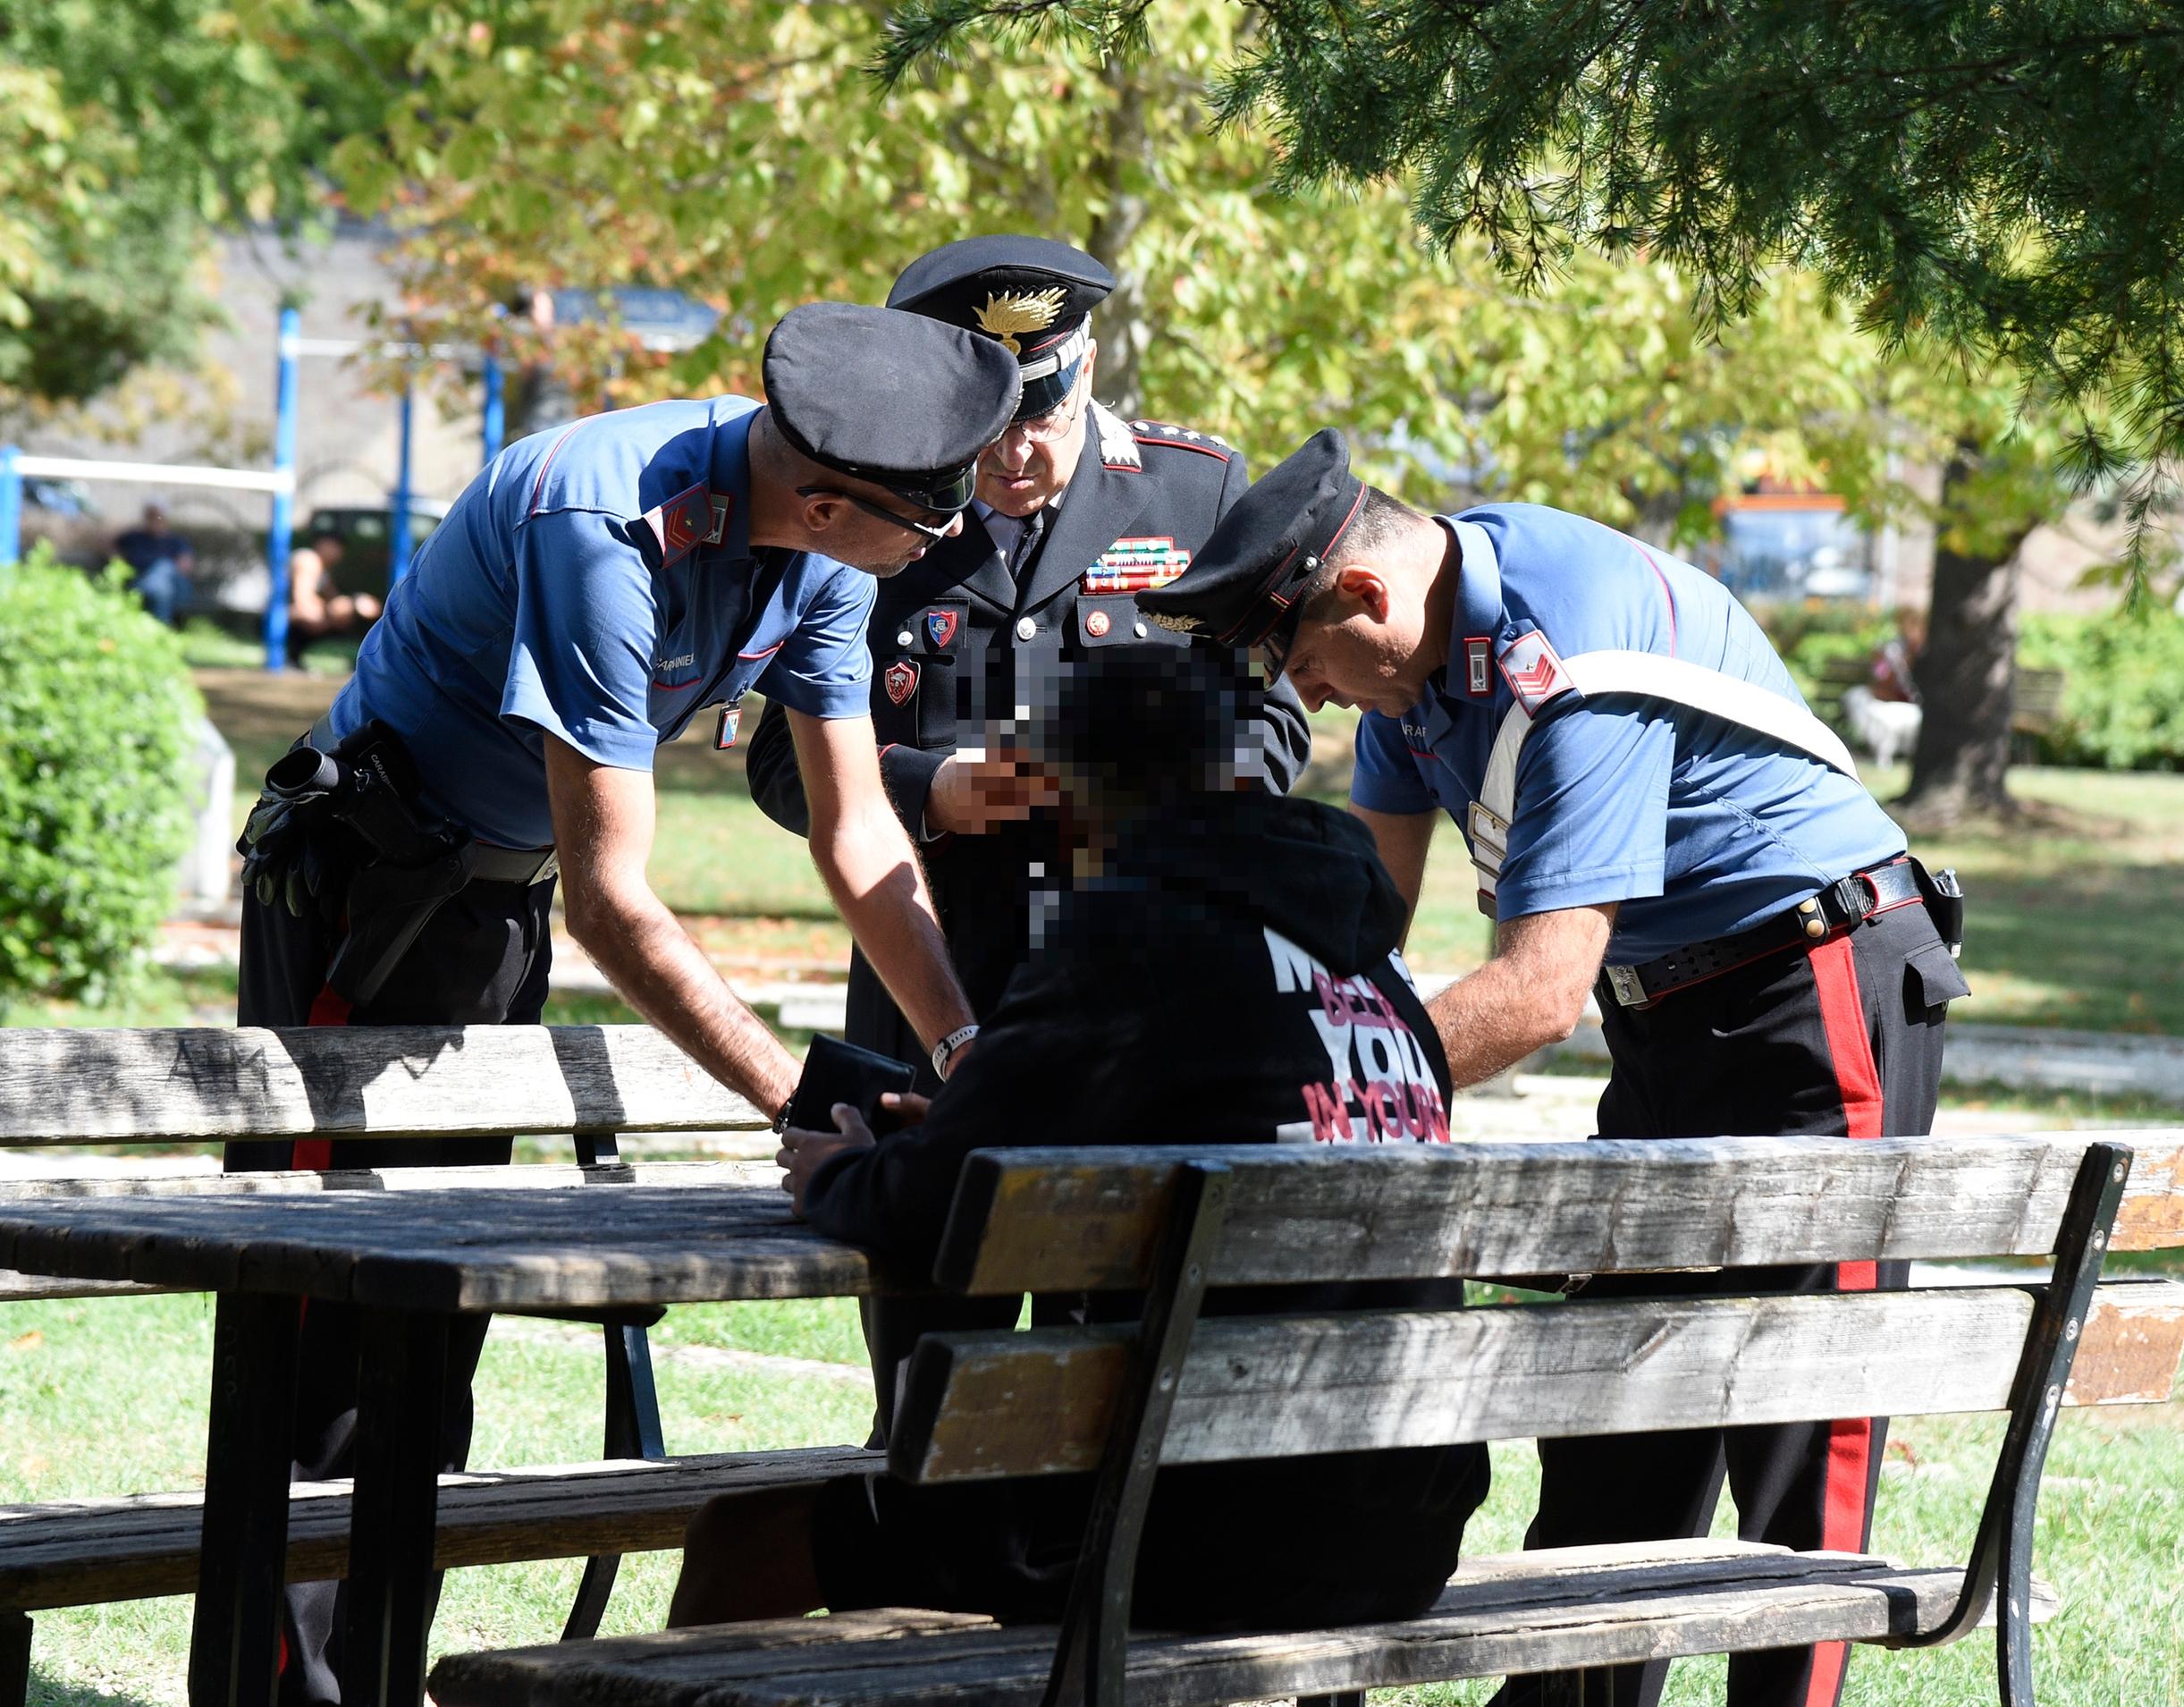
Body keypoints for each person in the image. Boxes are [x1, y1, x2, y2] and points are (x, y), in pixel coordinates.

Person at [229, 301, 1019, 1703]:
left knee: (431, 1352)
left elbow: (858, 840)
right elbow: (615, 899)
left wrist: (964, 1052)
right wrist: (800, 1098)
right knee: (328, 1356)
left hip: (487, 907)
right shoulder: (603, 528)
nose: (944, 549)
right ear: (831, 498)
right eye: (929, 525)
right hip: (369, 901)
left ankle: (374, 1679)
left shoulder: (818, 554)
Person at [1134, 430, 1970, 1707]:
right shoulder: (1416, 666)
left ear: (1363, 593)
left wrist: (1299, 1106)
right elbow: (1359, 941)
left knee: (1807, 1416)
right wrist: (1262, 1037)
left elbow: (1533, 995)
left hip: (1818, 989)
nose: (1317, 700)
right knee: (1618, 1423)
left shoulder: (1563, 647)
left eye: (1307, 665)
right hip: (1669, 1012)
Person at [672, 648, 1487, 1634]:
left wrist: (843, 1167)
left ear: (1056, 792)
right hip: (1406, 1514)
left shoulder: (1134, 927)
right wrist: (991, 1136)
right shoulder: (1370, 954)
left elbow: (932, 1214)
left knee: (741, 1540)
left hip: (1204, 1512)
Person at [745, 235, 1311, 1433]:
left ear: (1090, 365)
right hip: (934, 982)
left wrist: (1141, 798)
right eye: (988, 421)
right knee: (924, 1375)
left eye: (1041, 408)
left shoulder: (1192, 495)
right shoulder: (878, 504)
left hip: (1127, 1004)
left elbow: (1277, 728)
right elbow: (777, 770)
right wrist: (927, 788)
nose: (1014, 452)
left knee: (1102, 1370)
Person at [285, 531, 384, 667]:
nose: (339, 553)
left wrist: (350, 606)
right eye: (337, 547)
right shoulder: (308, 560)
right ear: (323, 543)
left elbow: (333, 599)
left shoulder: (323, 569)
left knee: (351, 612)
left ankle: (364, 659)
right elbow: (302, 601)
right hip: (282, 614)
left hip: (300, 613)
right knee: (318, 616)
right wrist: (343, 609)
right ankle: (290, 656)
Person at [112, 502, 192, 626]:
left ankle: (152, 585)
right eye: (151, 516)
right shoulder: (134, 537)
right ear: (145, 518)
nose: (155, 520)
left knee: (164, 567)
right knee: (160, 590)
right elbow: (109, 546)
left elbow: (185, 565)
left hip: (173, 586)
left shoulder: (175, 541)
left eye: (158, 516)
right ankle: (162, 626)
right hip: (140, 581)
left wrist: (159, 571)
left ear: (165, 518)